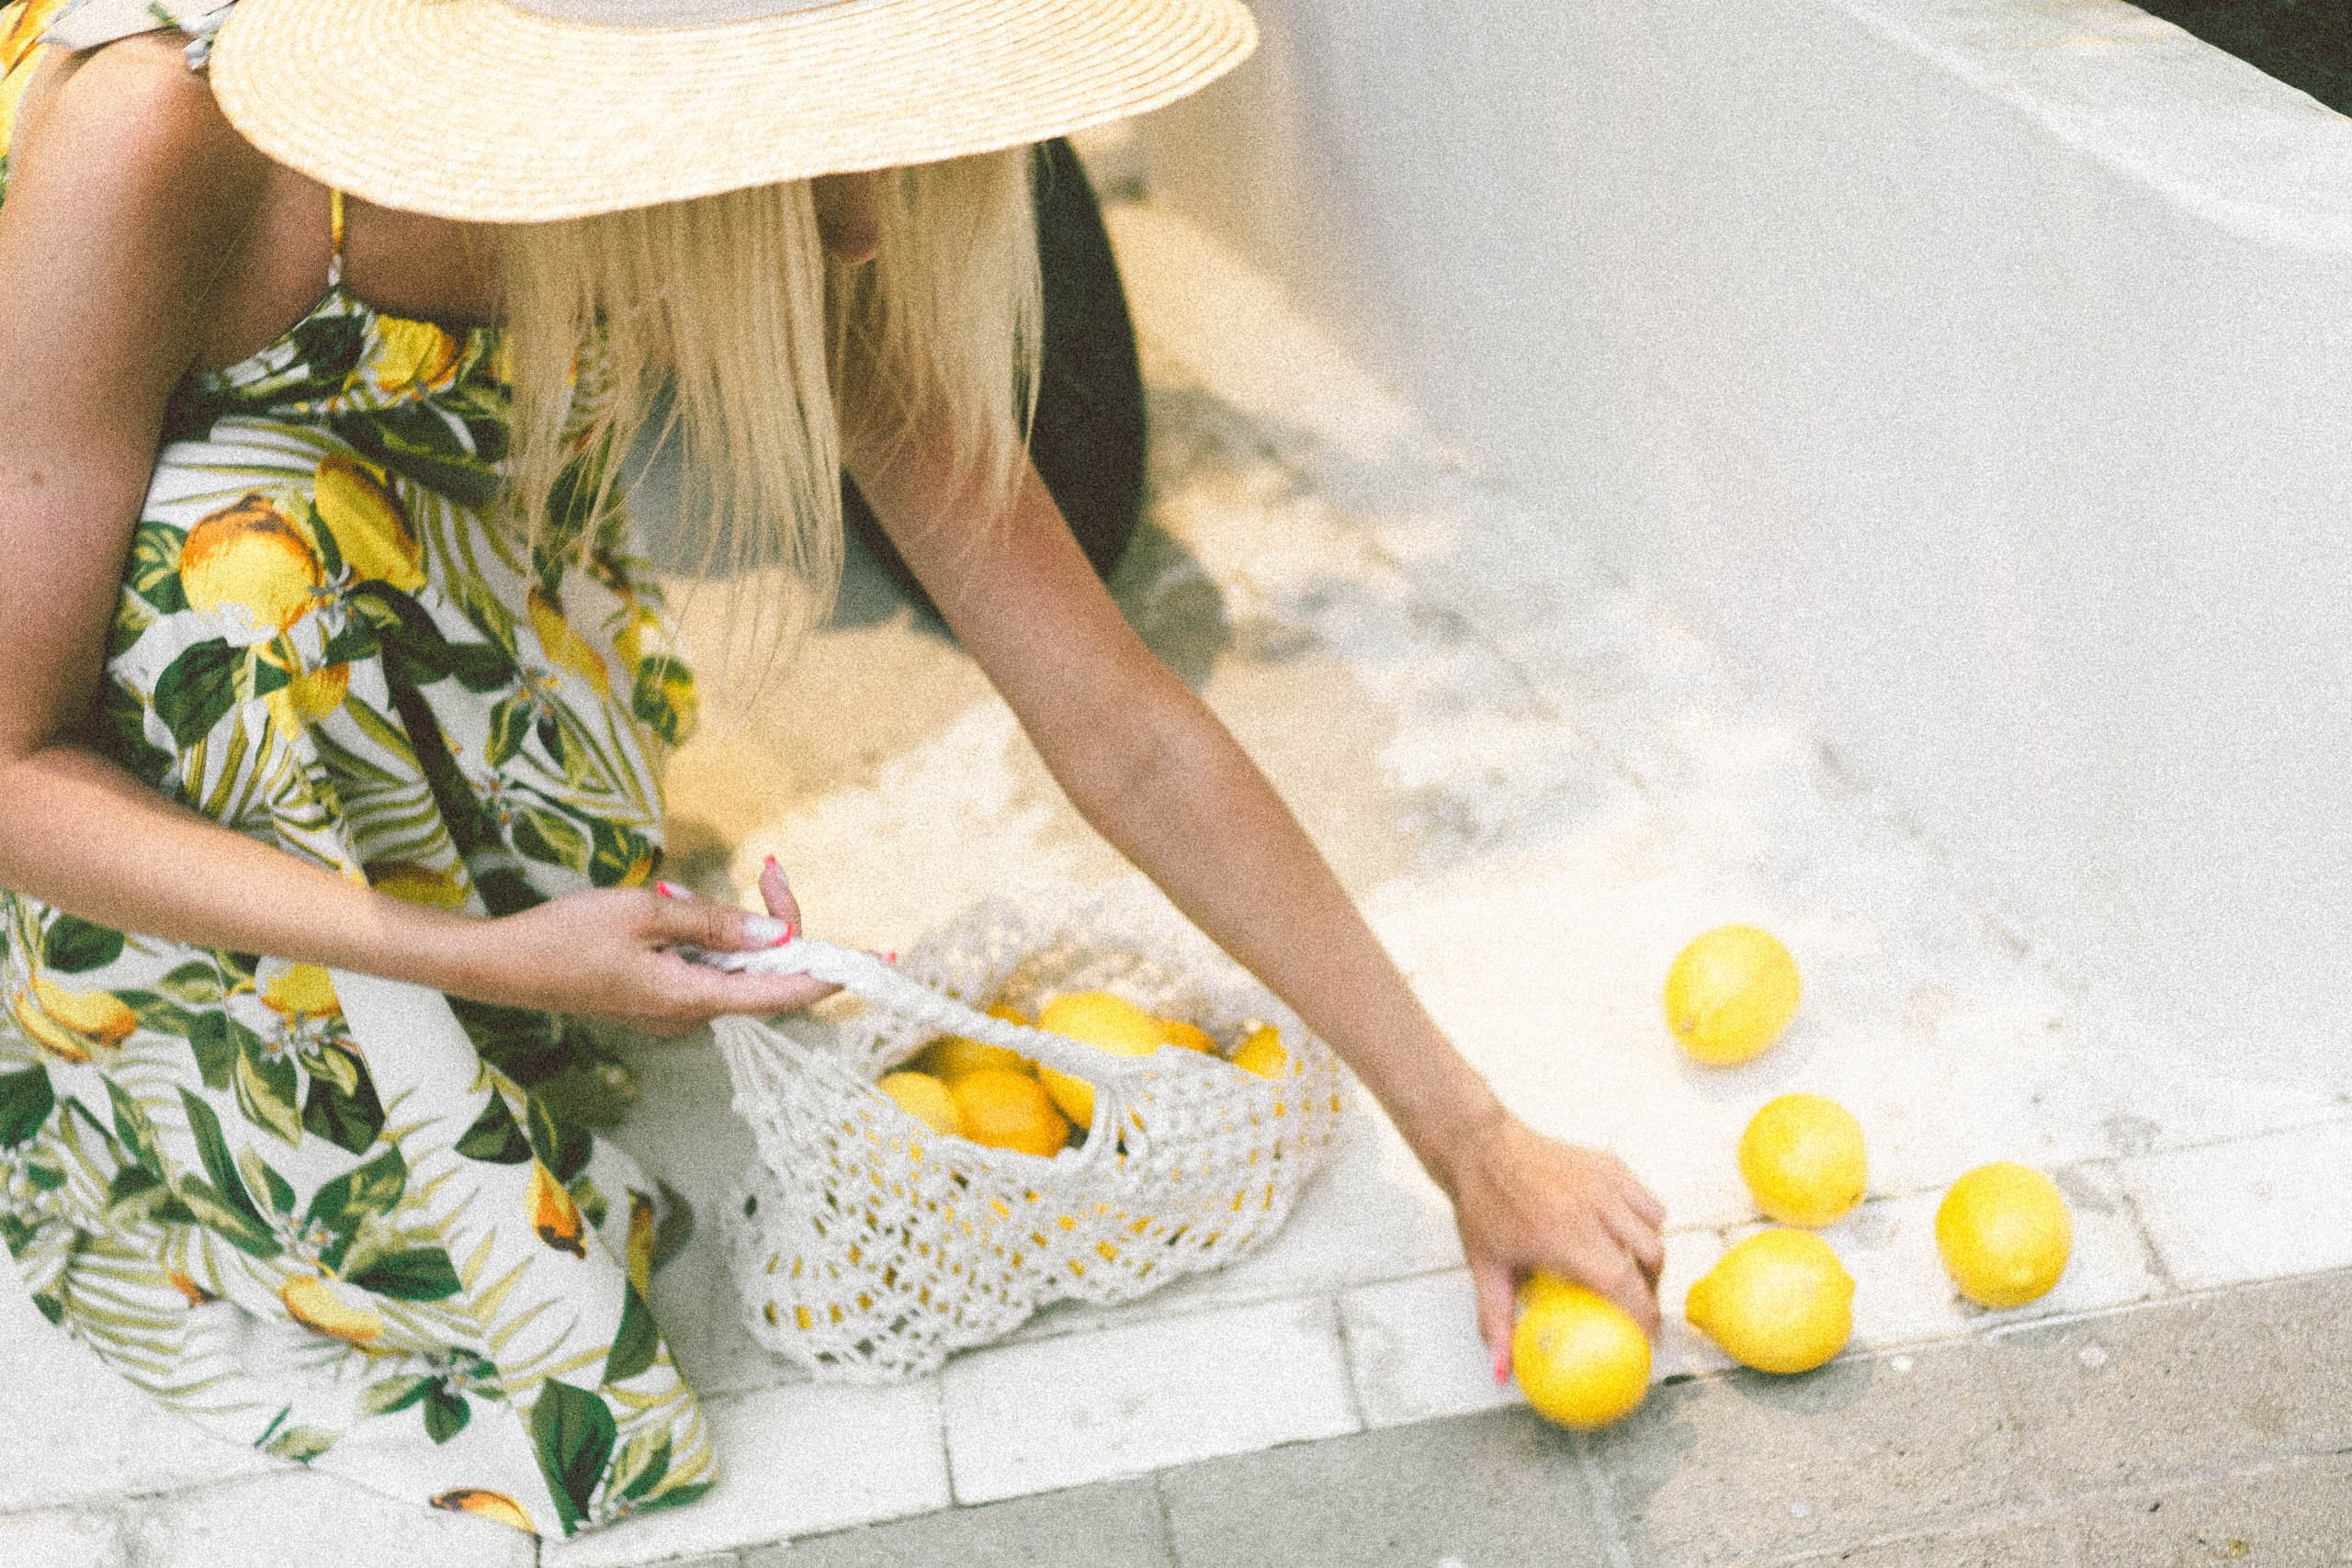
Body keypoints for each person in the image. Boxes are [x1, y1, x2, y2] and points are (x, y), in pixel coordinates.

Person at [0, 0, 1667, 1539]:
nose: (866, 219)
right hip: (93, 604)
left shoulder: (801, 190)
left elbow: (1117, 719)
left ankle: (454, 793)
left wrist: (1472, 1135)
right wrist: (458, 956)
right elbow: (12, 763)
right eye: (813, 148)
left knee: (1065, 462)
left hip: (425, 538)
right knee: (217, 593)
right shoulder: (164, 138)